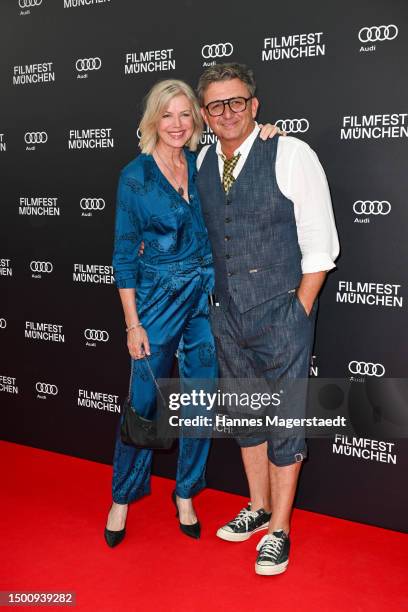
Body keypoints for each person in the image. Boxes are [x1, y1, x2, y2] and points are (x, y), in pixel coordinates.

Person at [105, 78, 280, 546]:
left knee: (199, 403)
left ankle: (185, 494)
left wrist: (268, 134)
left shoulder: (203, 163)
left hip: (204, 302)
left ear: (196, 119)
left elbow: (242, 155)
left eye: (186, 114)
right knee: (144, 404)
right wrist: (132, 323)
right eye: (168, 115)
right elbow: (123, 256)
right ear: (153, 120)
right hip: (156, 302)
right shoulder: (135, 177)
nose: (178, 124)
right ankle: (121, 498)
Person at [196, 63, 339, 574]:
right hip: (226, 315)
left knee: (283, 423)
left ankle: (280, 528)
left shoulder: (291, 152)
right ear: (205, 115)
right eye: (216, 105)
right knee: (245, 417)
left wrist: (298, 308)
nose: (228, 112)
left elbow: (321, 246)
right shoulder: (201, 163)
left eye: (237, 102)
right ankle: (257, 508)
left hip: (281, 311)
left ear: (255, 106)